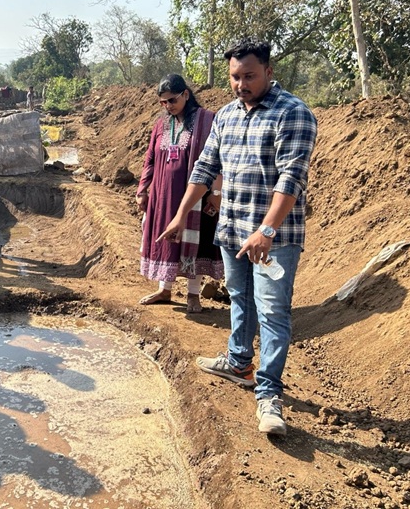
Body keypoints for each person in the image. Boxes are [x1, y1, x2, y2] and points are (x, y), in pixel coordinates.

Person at [158, 38, 317, 436]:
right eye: (234, 77)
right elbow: (204, 168)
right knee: (239, 297)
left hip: (274, 239)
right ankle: (238, 362)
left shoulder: (293, 113)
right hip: (232, 229)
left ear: (269, 72)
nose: (241, 84)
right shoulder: (227, 116)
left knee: (273, 312)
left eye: (249, 76)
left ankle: (269, 395)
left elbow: (292, 178)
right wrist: (180, 216)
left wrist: (267, 230)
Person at [136, 74, 223, 313]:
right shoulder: (161, 124)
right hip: (164, 196)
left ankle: (193, 294)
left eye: (172, 100)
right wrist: (142, 189)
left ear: (186, 94)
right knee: (167, 240)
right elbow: (150, 158)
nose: (168, 106)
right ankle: (164, 290)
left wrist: (216, 192)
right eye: (163, 102)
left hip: (197, 195)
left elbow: (218, 158)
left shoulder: (207, 120)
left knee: (196, 241)